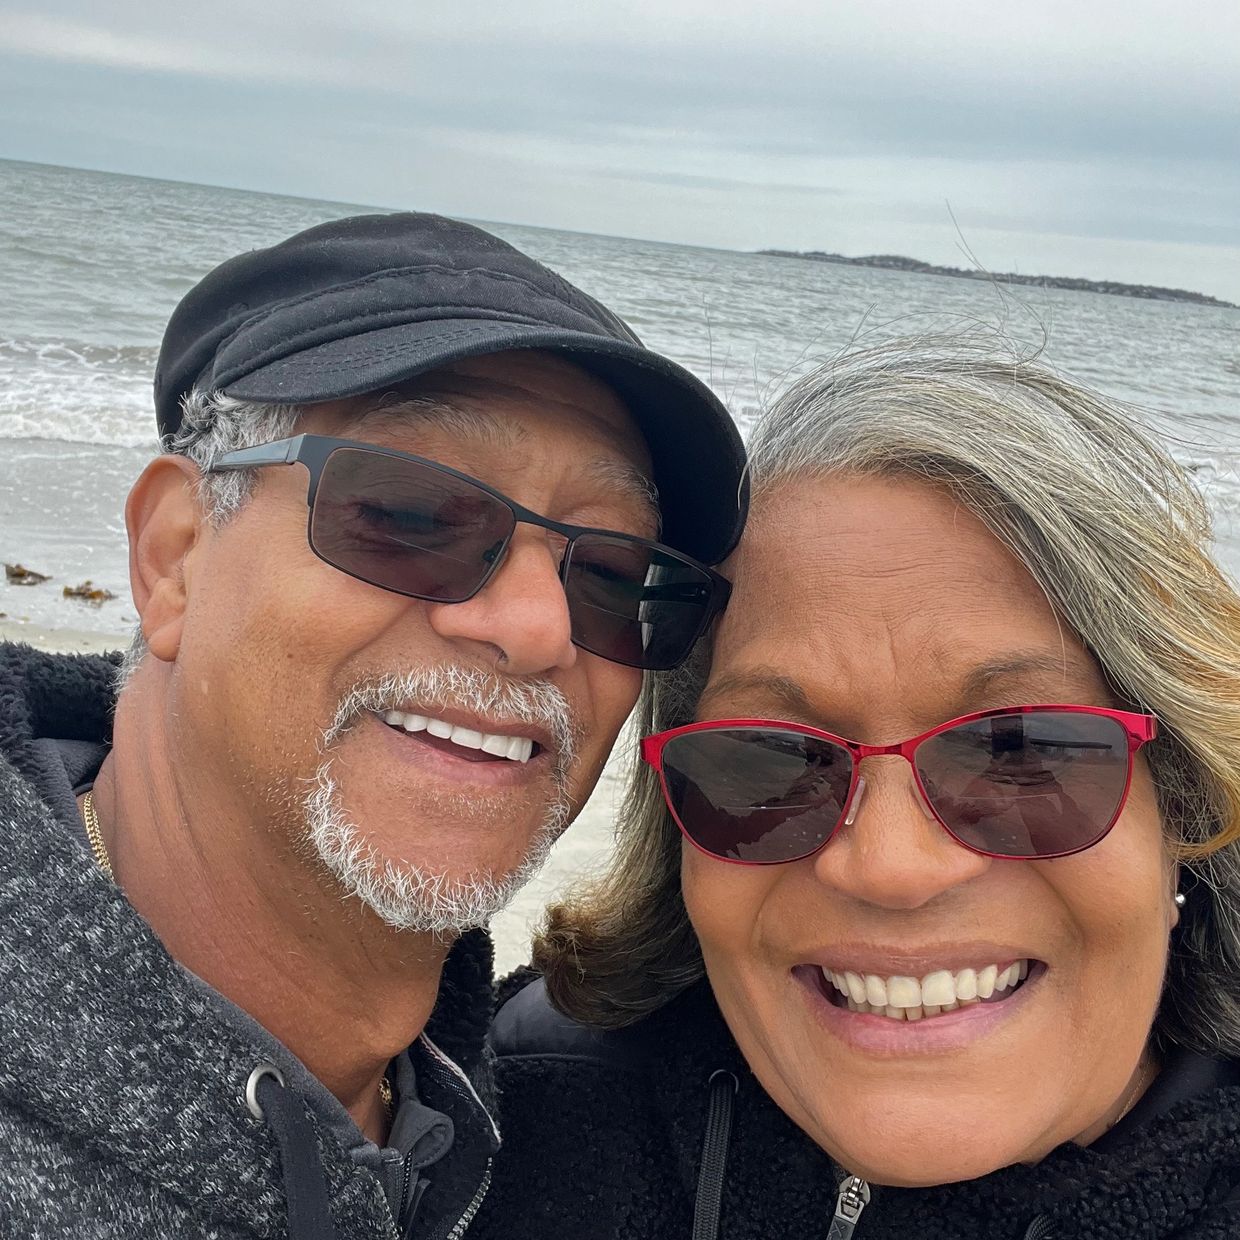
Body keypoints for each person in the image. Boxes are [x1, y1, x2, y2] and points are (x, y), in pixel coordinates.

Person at [0, 211, 747, 1238]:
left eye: (616, 578)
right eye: (408, 515)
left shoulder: (547, 1126)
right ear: (174, 555)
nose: (538, 628)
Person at [483, 337, 1240, 1239]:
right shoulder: (508, 1111)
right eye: (767, 761)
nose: (889, 868)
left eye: (1018, 751)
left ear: (1186, 812)